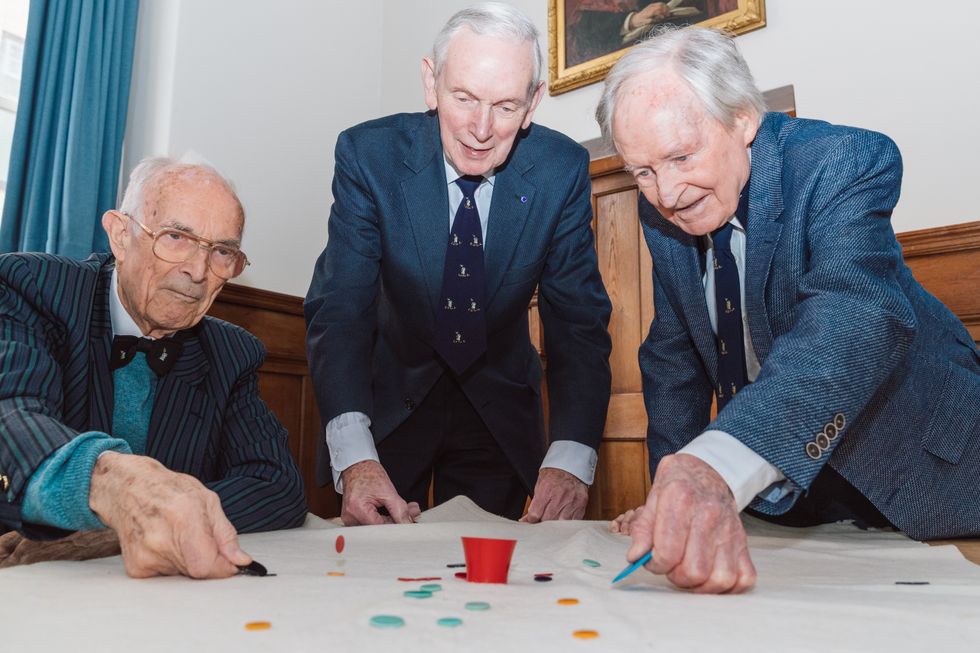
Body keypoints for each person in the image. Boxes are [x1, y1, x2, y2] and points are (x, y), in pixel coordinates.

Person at [596, 26, 980, 593]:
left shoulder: (842, 161)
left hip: (923, 473)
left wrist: (715, 468)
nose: (667, 193)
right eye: (643, 172)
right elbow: (673, 358)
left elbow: (855, 315)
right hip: (789, 494)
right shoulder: (664, 212)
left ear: (743, 119)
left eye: (681, 156)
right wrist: (671, 496)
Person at [304, 3, 612, 526]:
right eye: (464, 97)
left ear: (535, 102)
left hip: (497, 412)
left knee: (491, 584)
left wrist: (570, 460)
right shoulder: (369, 155)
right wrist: (355, 457)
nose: (481, 129)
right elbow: (341, 309)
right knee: (369, 577)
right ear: (431, 83)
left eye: (507, 106)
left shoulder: (561, 171)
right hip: (387, 407)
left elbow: (578, 323)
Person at [0, 158, 307, 578]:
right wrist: (112, 487)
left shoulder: (233, 352)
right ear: (121, 236)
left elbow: (277, 486)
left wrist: (120, 530)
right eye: (176, 237)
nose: (198, 272)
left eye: (222, 251)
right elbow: (12, 415)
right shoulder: (34, 285)